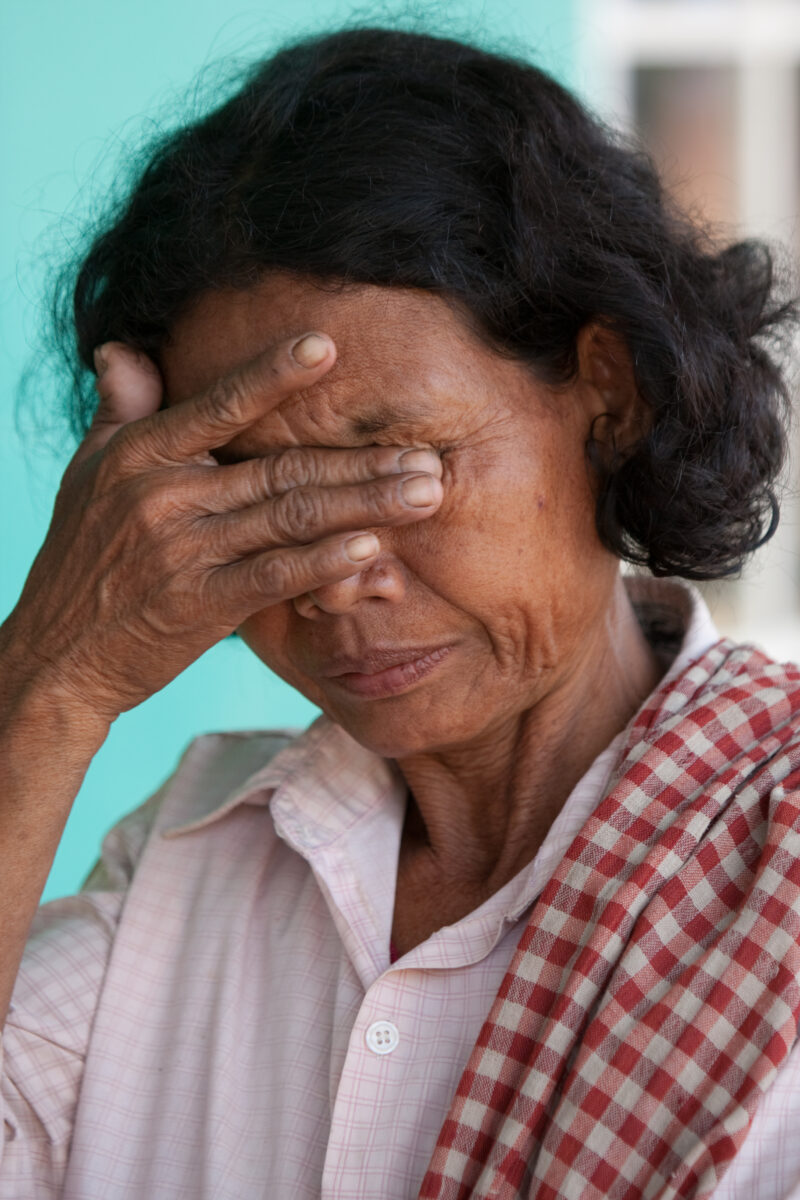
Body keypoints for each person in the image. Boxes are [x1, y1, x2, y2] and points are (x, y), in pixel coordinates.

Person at [1, 25, 798, 1200]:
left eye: (401, 464)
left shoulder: (772, 861)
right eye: (249, 491)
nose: (331, 576)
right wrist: (48, 684)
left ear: (608, 394)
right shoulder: (192, 859)